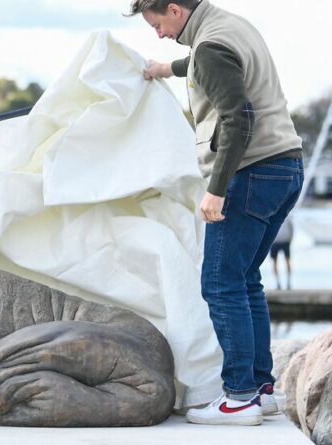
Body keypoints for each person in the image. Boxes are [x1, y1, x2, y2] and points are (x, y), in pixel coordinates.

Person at [127, 0, 304, 426]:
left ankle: (239, 397)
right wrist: (164, 69)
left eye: (158, 25)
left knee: (221, 284)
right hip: (286, 165)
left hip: (251, 173)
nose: (160, 34)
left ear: (174, 9)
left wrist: (217, 190)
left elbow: (238, 117)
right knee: (246, 281)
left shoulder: (210, 46)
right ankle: (261, 391)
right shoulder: (227, 27)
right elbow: (205, 64)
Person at [270, 218, 294, 290]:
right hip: (274, 242)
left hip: (285, 242)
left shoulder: (288, 216)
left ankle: (288, 282)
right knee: (274, 262)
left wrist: (289, 239)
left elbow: (292, 229)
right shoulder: (272, 215)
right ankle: (278, 283)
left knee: (287, 261)